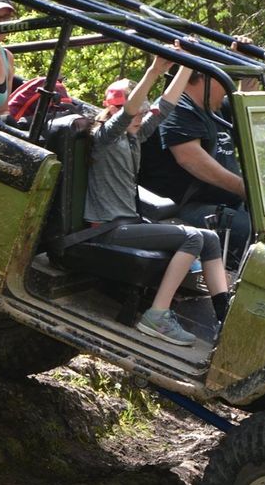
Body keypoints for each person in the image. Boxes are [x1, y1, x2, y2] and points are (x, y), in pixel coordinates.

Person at [84, 45, 232, 348]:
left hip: (128, 224)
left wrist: (186, 65)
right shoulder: (104, 137)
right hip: (107, 228)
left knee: (210, 238)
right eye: (132, 110)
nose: (139, 114)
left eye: (141, 109)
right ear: (111, 110)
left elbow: (165, 106)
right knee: (192, 237)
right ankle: (157, 316)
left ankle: (224, 317)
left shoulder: (135, 136)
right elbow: (126, 114)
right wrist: (154, 71)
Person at [141, 47, 256, 271]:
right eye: (226, 79)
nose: (229, 88)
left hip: (226, 202)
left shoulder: (216, 109)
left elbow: (247, 104)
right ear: (205, 77)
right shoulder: (177, 109)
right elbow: (190, 159)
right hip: (183, 208)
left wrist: (244, 60)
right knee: (258, 239)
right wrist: (246, 189)